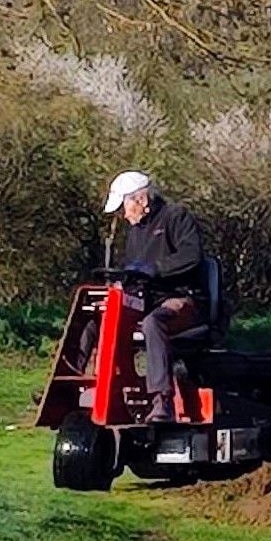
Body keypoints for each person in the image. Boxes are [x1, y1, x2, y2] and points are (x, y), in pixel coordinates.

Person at [77, 170, 207, 423]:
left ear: (141, 200)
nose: (124, 215)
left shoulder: (176, 217)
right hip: (145, 299)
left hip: (180, 299)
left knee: (153, 323)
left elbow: (191, 257)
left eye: (125, 206)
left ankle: (162, 401)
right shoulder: (136, 232)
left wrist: (155, 269)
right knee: (94, 318)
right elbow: (132, 269)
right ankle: (76, 384)